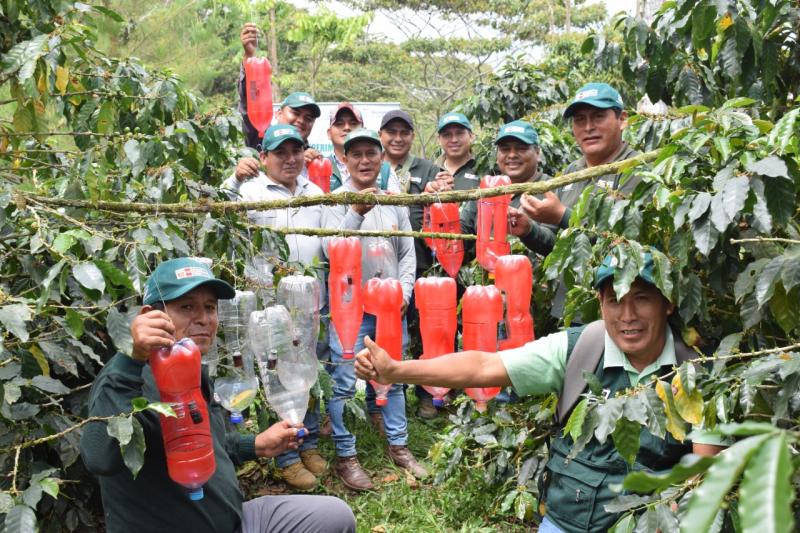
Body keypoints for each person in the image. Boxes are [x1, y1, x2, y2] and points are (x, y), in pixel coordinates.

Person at [355, 253, 724, 533]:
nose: (627, 315)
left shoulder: (695, 376)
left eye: (641, 298)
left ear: (668, 303)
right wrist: (398, 370)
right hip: (568, 519)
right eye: (614, 300)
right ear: (600, 304)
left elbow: (703, 478)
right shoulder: (583, 347)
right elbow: (483, 366)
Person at [80, 257, 356, 533]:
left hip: (234, 523)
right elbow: (98, 458)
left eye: (210, 307)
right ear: (151, 315)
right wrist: (131, 358)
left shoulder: (191, 368)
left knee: (334, 516)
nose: (203, 318)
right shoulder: (124, 379)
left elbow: (207, 444)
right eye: (187, 307)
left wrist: (257, 445)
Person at [221, 124, 328, 490]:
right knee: (278, 379)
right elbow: (216, 214)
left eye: (295, 151)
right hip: (269, 306)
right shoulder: (249, 191)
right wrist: (233, 179)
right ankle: (286, 455)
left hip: (308, 305)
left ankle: (309, 442)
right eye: (280, 153)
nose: (290, 159)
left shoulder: (315, 192)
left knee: (308, 372)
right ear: (263, 157)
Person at [321, 129, 426, 491]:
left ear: (381, 158)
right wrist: (354, 212)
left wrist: (406, 292)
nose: (364, 161)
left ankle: (399, 445)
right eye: (356, 155)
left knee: (391, 375)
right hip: (348, 309)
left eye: (371, 153)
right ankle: (346, 455)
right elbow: (329, 251)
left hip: (389, 306)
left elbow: (408, 252)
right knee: (344, 383)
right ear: (346, 161)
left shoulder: (394, 202)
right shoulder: (333, 201)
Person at [519, 82, 640, 232]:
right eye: (580, 119)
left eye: (598, 116)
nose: (588, 127)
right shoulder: (572, 170)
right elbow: (554, 242)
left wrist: (561, 216)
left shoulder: (636, 168)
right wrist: (528, 230)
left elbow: (622, 239)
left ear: (622, 120)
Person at [460, 120, 557, 258]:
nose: (512, 155)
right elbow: (461, 235)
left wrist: (529, 231)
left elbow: (558, 244)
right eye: (505, 149)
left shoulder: (551, 189)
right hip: (487, 276)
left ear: (537, 153)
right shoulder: (486, 189)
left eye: (521, 148)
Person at [377, 109, 444, 275]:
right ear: (380, 135)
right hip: (377, 259)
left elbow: (443, 209)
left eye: (404, 133)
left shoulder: (429, 169)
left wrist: (439, 190)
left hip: (420, 261)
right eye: (391, 132)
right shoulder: (369, 167)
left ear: (412, 136)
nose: (398, 139)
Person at [326, 102, 364, 191]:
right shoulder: (318, 166)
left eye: (353, 123)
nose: (347, 127)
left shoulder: (382, 169)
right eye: (339, 123)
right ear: (329, 133)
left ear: (363, 130)